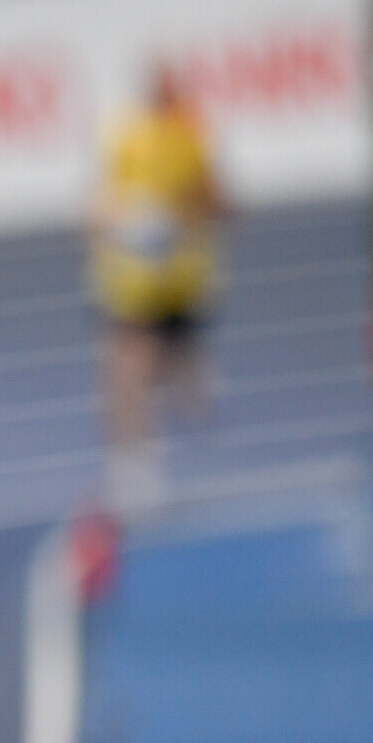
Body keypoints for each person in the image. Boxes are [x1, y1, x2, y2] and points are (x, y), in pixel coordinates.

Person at [89, 61, 223, 513]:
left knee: (187, 384)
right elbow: (99, 207)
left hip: (182, 281)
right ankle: (134, 467)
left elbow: (218, 201)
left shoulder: (193, 135)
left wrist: (177, 223)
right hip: (134, 285)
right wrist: (130, 224)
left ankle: (197, 450)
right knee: (128, 371)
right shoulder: (128, 137)